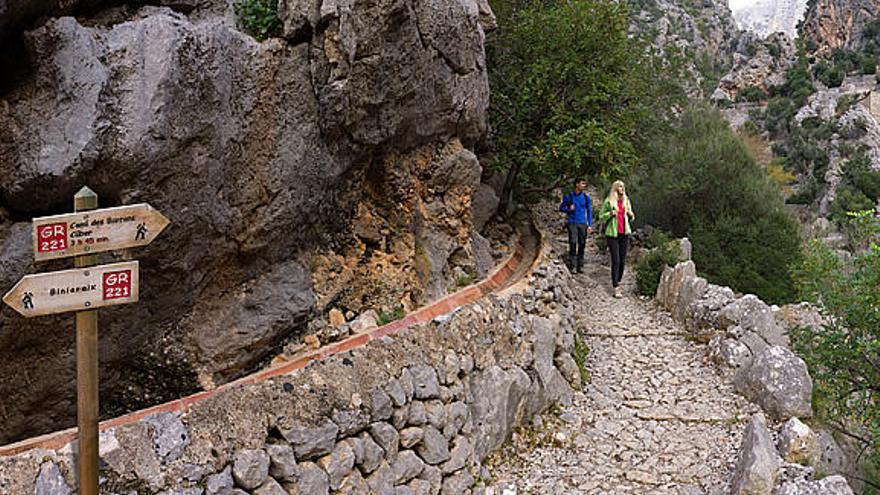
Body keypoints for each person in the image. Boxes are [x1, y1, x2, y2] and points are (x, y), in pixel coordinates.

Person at [599, 180, 634, 298]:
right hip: (612, 234)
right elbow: (601, 217)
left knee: (623, 261)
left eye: (623, 186)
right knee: (616, 260)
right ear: (615, 188)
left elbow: (632, 216)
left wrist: (630, 215)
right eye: (620, 186)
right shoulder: (609, 201)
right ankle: (616, 287)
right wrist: (610, 213)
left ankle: (618, 280)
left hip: (624, 233)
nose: (622, 188)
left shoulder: (626, 200)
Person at [559, 178, 593, 273]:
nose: (584, 185)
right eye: (582, 183)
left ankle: (580, 265)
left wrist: (589, 224)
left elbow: (589, 211)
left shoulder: (586, 197)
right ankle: (572, 265)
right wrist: (569, 209)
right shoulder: (569, 196)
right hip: (572, 222)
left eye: (585, 184)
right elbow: (561, 208)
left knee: (582, 244)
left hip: (582, 223)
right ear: (577, 184)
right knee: (573, 243)